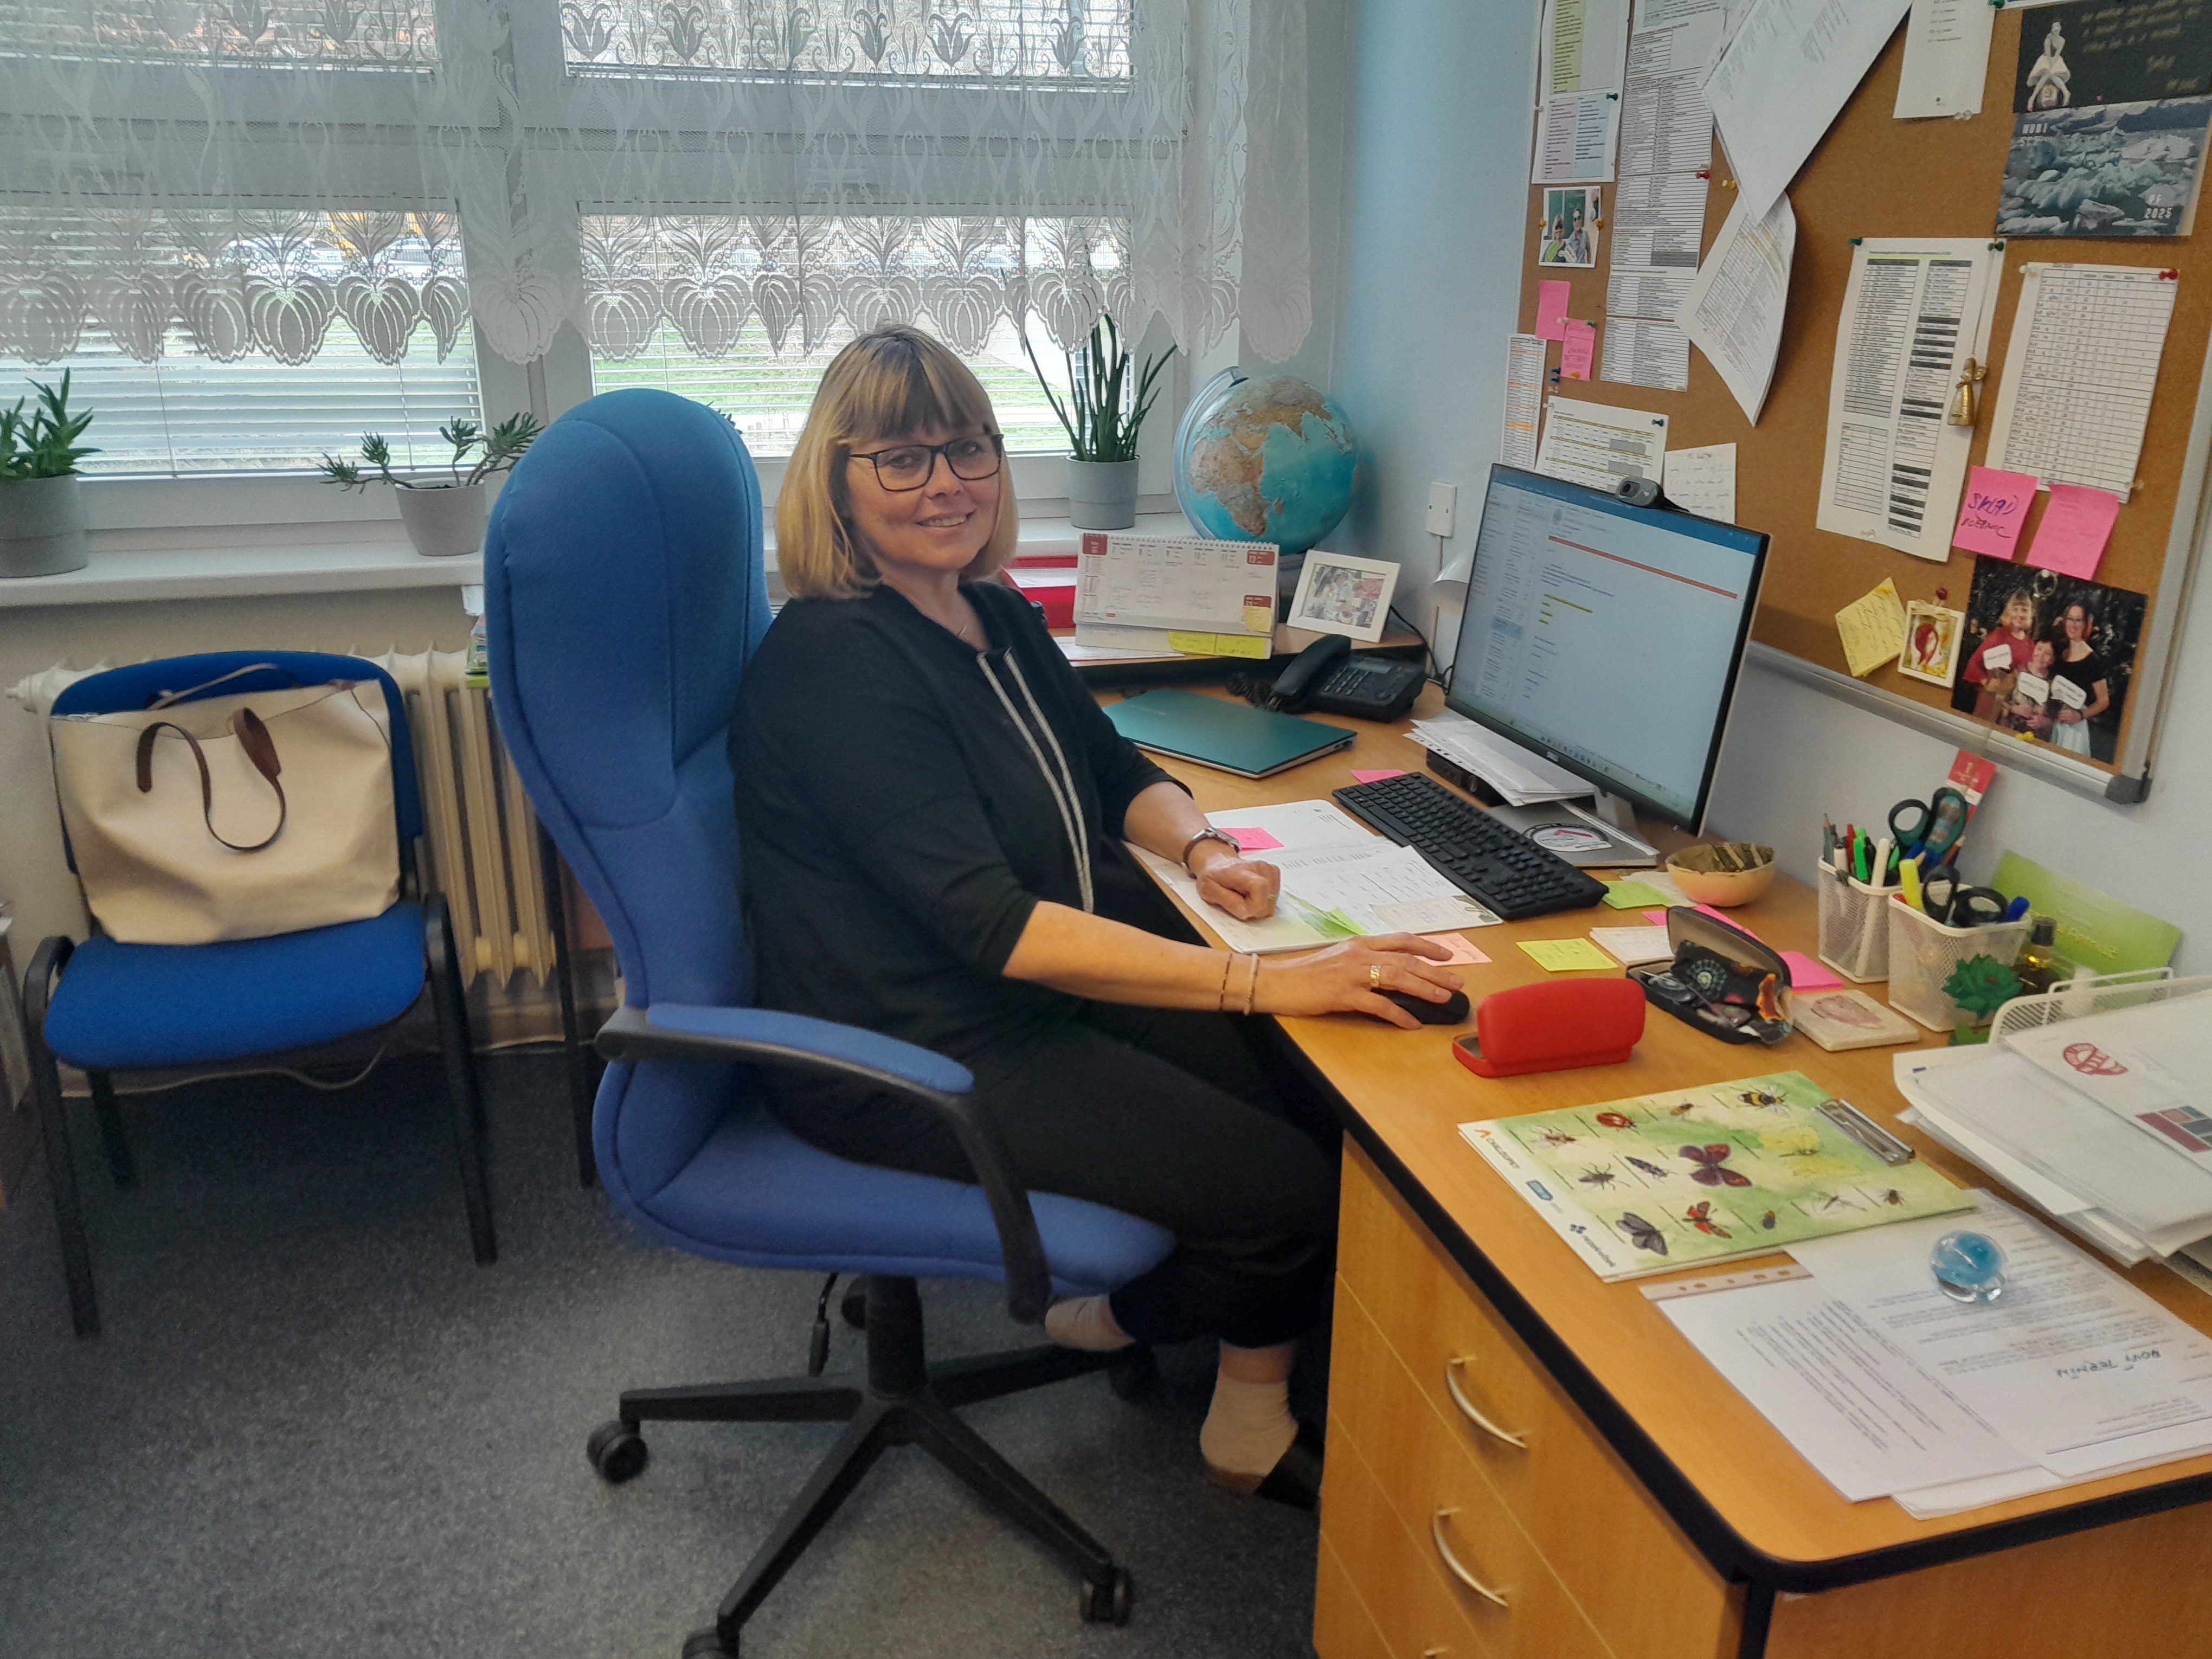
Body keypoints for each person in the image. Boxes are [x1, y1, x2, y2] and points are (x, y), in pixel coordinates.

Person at [726, 324, 1462, 1504]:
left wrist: (1204, 847)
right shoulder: (836, 666)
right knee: (1291, 1196)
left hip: (1036, 989)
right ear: (837, 481)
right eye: (902, 459)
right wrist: (1261, 977)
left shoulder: (991, 612)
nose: (947, 484)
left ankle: (1234, 1385)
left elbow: (1108, 764)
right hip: (918, 1044)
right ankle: (1122, 1330)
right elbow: (992, 926)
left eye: (968, 449)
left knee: (1313, 1105)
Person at [1959, 587, 2039, 723]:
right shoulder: (1998, 636)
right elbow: (1974, 664)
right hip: (1991, 699)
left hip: (2015, 709)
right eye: (2015, 609)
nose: (2019, 614)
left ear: (2030, 614)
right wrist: (1986, 682)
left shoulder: (2031, 645)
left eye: (2024, 610)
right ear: (2009, 611)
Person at [2046, 600, 2113, 756]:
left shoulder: (2092, 660)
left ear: (2085, 624)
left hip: (2074, 730)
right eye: (2070, 619)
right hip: (2055, 722)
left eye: (2078, 620)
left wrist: (2080, 715)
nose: (2073, 625)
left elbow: (2104, 701)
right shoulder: (2062, 653)